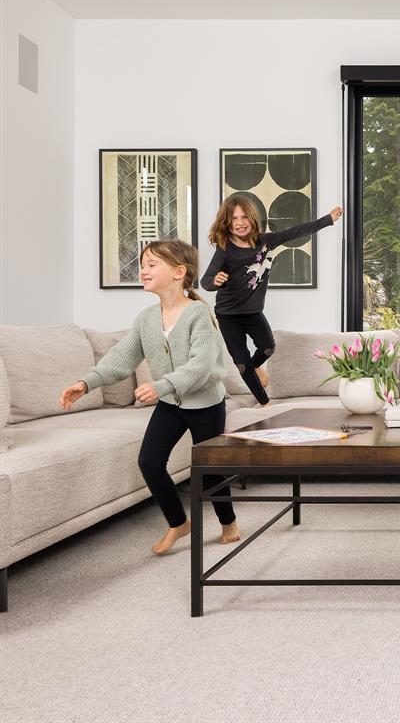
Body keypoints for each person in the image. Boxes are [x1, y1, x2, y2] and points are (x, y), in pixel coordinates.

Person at [60, 240, 241, 555]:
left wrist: (162, 386)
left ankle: (229, 522)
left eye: (152, 265)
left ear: (178, 272)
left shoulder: (199, 314)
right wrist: (87, 383)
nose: (143, 270)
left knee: (210, 468)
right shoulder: (145, 319)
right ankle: (178, 523)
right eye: (143, 265)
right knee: (149, 462)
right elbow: (122, 357)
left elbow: (201, 365)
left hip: (206, 404)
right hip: (171, 404)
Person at [202, 194, 343, 404]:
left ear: (252, 218)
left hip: (253, 312)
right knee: (242, 363)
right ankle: (265, 403)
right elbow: (205, 281)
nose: (239, 223)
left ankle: (255, 366)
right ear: (227, 223)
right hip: (227, 315)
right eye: (234, 219)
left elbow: (295, 231)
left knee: (268, 347)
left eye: (244, 217)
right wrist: (216, 281)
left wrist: (328, 219)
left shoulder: (265, 242)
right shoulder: (225, 250)